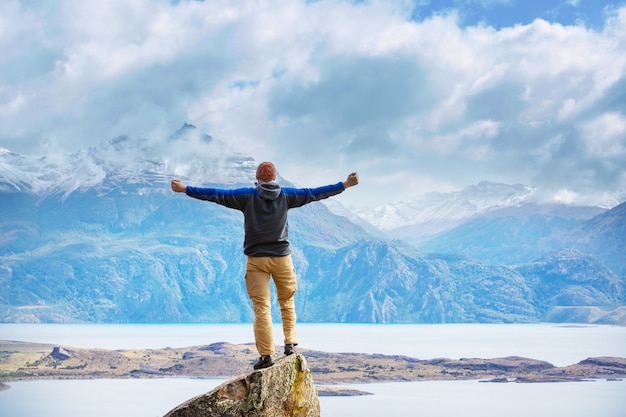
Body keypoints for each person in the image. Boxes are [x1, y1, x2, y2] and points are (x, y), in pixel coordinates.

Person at [171, 162, 359, 369]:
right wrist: (345, 184)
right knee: (286, 302)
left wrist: (185, 189)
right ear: (275, 178)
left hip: (256, 260)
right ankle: (290, 344)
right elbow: (316, 193)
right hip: (282, 259)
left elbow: (216, 194)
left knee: (262, 308)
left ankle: (266, 356)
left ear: (257, 179)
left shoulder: (247, 196)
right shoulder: (287, 196)